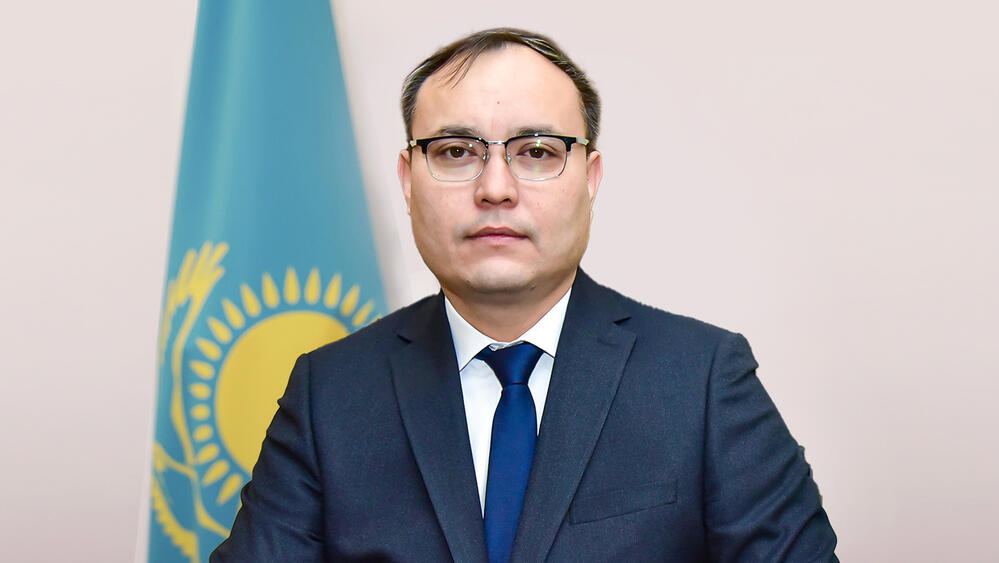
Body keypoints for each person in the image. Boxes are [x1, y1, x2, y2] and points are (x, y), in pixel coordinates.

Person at [212, 28, 838, 562]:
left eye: (537, 151)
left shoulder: (702, 380)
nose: (495, 188)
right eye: (455, 152)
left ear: (590, 178)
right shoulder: (330, 393)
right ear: (407, 180)